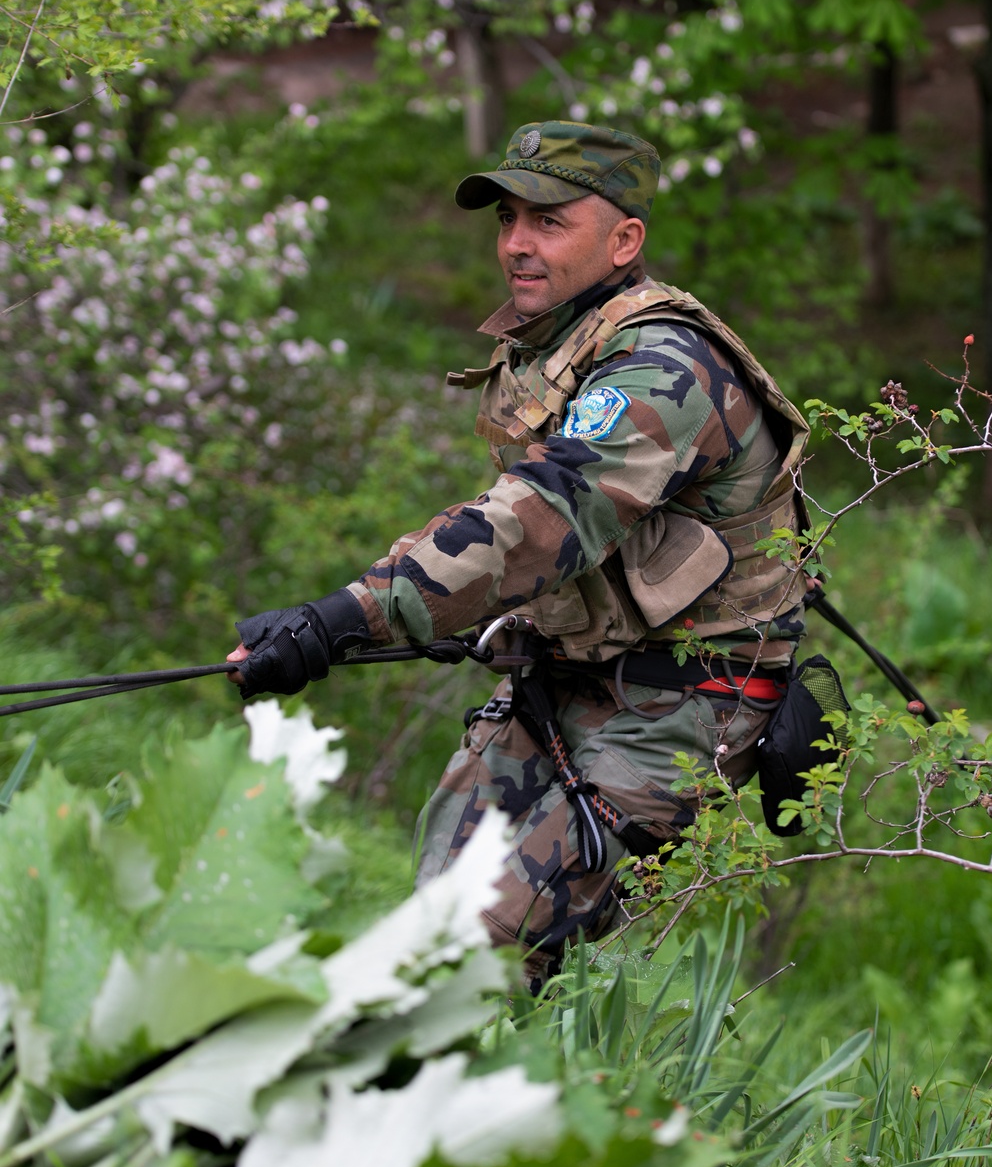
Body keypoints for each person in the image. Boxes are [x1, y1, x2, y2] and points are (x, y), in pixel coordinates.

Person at [227, 120, 809, 988]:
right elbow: (500, 517)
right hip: (568, 672)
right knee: (436, 902)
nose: (516, 245)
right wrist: (346, 615)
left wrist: (349, 617)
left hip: (686, 705)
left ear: (624, 240)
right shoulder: (557, 344)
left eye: (549, 221)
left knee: (474, 948)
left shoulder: (663, 369)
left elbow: (540, 521)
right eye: (508, 220)